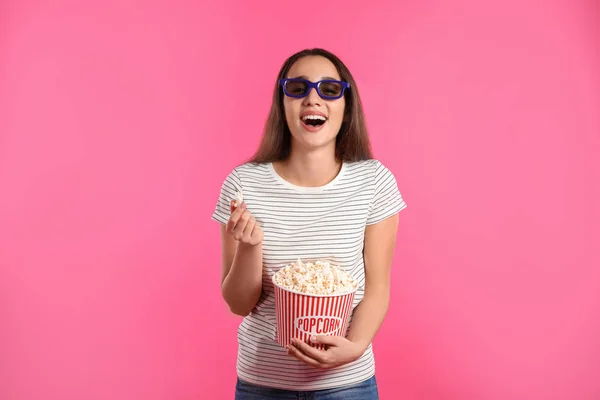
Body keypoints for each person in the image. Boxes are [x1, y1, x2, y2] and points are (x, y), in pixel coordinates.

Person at [211, 48, 407, 399]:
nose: (312, 99)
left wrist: (357, 344)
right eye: (297, 88)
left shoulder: (374, 181)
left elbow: (378, 288)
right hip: (263, 384)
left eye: (329, 89)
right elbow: (239, 304)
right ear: (281, 102)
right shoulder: (243, 184)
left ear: (346, 107)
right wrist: (250, 246)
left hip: (347, 385)